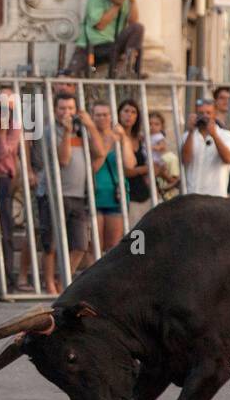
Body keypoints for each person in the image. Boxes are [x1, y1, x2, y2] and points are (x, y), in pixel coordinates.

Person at [39, 91, 90, 296]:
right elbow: (63, 160)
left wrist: (91, 126)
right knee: (50, 243)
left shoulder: (82, 130)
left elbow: (99, 151)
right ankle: (50, 283)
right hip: (53, 193)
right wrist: (68, 133)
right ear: (55, 109)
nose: (66, 112)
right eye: (62, 108)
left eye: (70, 108)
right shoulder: (51, 130)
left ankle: (63, 280)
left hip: (77, 193)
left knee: (80, 244)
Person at [82, 102, 136, 255]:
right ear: (92, 117)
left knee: (113, 245)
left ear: (112, 116)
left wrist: (124, 138)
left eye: (105, 114)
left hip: (116, 196)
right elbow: (94, 167)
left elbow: (130, 164)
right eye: (98, 115)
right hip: (95, 196)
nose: (102, 118)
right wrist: (107, 143)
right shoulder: (88, 136)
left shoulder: (119, 137)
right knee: (94, 245)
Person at [70, 0, 145, 78]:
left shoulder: (125, 0)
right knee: (68, 77)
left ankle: (129, 66)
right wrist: (116, 5)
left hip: (113, 46)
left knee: (138, 28)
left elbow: (133, 23)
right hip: (92, 46)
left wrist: (133, 1)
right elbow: (100, 25)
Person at [0, 86, 23, 295]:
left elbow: (2, 154)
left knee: (4, 230)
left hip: (2, 180)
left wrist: (1, 130)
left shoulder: (14, 125)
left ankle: (6, 280)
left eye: (8, 103)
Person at [180, 97, 230, 197]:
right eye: (201, 113)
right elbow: (185, 160)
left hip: (216, 196)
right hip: (192, 196)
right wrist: (190, 132)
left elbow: (229, 159)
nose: (204, 116)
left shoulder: (226, 135)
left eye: (208, 113)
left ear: (214, 114)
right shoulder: (187, 136)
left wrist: (214, 136)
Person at [118, 99, 152, 223]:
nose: (129, 115)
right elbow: (125, 170)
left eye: (133, 112)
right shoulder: (115, 137)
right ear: (119, 113)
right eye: (126, 111)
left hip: (143, 193)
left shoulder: (141, 138)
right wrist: (145, 169)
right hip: (124, 194)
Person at [147, 111, 180, 201]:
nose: (152, 127)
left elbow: (175, 182)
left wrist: (162, 174)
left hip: (167, 198)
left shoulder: (171, 158)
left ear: (162, 126)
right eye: (149, 124)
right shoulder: (145, 139)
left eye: (156, 124)